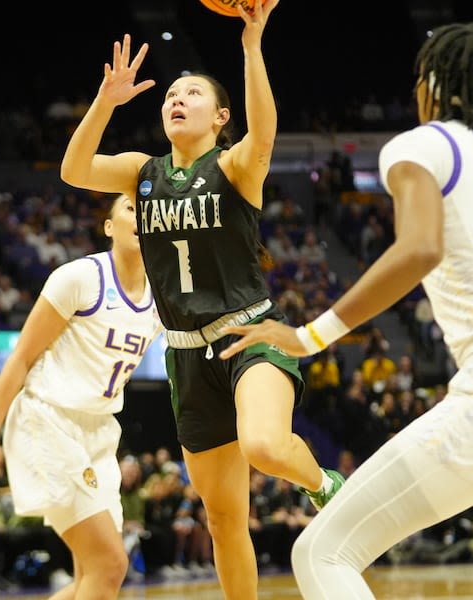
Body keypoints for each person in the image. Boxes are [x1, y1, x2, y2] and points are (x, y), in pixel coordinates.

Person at [219, 22, 473, 599]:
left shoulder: (422, 144)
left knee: (324, 552)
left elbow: (421, 248)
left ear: (432, 85)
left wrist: (309, 336)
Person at [59, 3, 343, 597]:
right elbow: (75, 169)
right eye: (169, 96)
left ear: (220, 117)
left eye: (190, 94)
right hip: (185, 355)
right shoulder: (143, 172)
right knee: (222, 520)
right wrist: (106, 103)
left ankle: (322, 483)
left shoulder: (236, 165)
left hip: (249, 335)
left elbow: (263, 132)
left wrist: (251, 44)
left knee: (265, 446)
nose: (175, 100)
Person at [0, 193, 162, 599]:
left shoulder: (162, 298)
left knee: (91, 577)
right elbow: (20, 358)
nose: (142, 214)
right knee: (111, 565)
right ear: (108, 226)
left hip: (100, 432)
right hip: (48, 421)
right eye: (130, 207)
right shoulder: (80, 278)